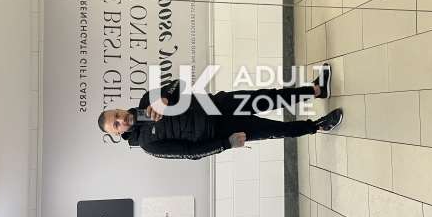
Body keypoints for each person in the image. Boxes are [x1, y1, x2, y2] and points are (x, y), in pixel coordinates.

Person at [97, 64, 343, 160]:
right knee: (274, 129)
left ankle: (316, 90)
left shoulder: (145, 100)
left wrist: (165, 97)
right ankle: (317, 126)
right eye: (116, 125)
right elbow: (189, 153)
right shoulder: (148, 145)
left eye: (116, 115)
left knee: (269, 97)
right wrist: (226, 144)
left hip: (217, 104)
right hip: (220, 131)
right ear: (118, 134)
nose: (120, 120)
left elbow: (179, 84)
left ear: (119, 109)